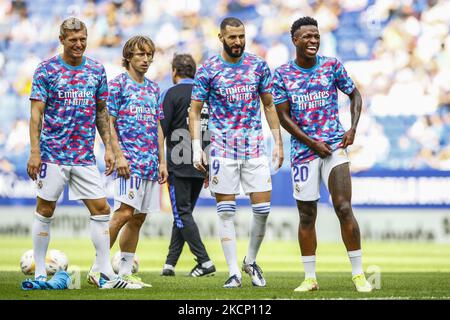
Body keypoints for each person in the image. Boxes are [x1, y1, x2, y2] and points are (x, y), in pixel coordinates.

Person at [27, 17, 139, 289]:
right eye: (73, 40)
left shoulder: (96, 70)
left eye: (82, 39)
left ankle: (104, 273)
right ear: (62, 40)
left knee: (101, 209)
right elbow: (36, 113)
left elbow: (102, 112)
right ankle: (40, 272)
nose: (78, 44)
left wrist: (110, 148)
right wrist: (35, 151)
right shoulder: (46, 70)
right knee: (45, 208)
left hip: (83, 155)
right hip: (52, 154)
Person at [272, 16, 372, 293]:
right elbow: (283, 117)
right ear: (295, 40)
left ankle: (358, 274)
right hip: (305, 153)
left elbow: (355, 95)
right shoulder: (281, 75)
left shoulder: (331, 65)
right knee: (307, 214)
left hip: (334, 147)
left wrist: (352, 128)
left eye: (316, 36)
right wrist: (311, 142)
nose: (313, 41)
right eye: (307, 37)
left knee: (343, 207)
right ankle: (310, 278)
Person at [189, 17, 284, 288]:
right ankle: (233, 272)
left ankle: (250, 261)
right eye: (232, 37)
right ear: (221, 38)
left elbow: (268, 105)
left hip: (254, 147)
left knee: (263, 210)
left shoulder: (258, 66)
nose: (238, 42)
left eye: (241, 36)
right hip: (222, 150)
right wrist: (197, 148)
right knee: (226, 212)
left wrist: (277, 141)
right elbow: (194, 111)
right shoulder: (208, 69)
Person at [97, 35, 168, 287]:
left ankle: (125, 271)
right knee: (123, 212)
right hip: (129, 162)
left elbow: (157, 126)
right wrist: (118, 155)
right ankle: (99, 269)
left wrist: (162, 161)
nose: (146, 59)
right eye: (141, 54)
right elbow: (108, 122)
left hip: (150, 163)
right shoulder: (117, 85)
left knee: (138, 217)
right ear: (128, 56)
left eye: (150, 55)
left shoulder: (153, 87)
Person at [159, 54, 215, 277]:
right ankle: (169, 264)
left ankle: (205, 261)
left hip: (179, 162)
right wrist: (209, 166)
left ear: (175, 71)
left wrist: (161, 161)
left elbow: (160, 129)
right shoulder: (204, 95)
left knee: (182, 214)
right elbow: (209, 131)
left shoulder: (170, 93)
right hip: (201, 162)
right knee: (184, 214)